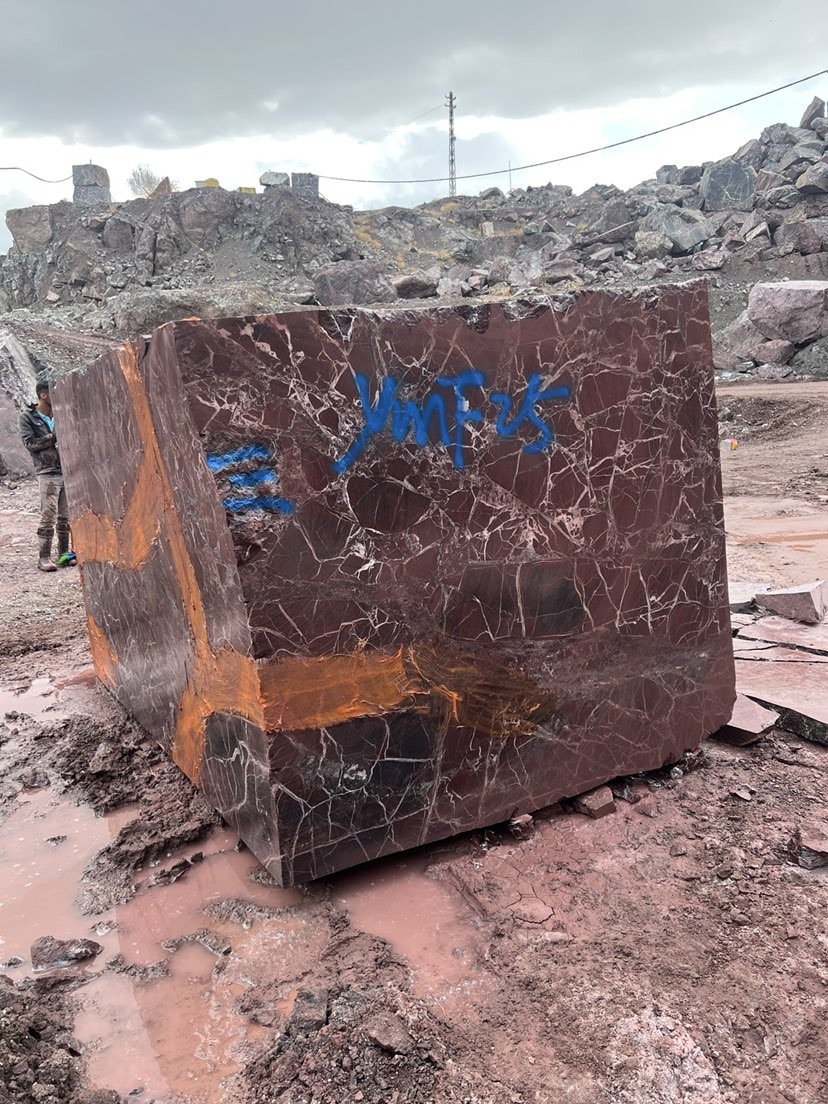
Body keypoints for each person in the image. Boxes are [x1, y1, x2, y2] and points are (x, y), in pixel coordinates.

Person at [19, 379, 76, 572]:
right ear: (43, 395)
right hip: (47, 471)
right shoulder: (28, 417)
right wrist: (53, 437)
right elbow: (30, 443)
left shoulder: (59, 414)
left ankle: (64, 555)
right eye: (52, 392)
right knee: (49, 514)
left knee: (65, 515)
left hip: (66, 469)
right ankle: (43, 558)